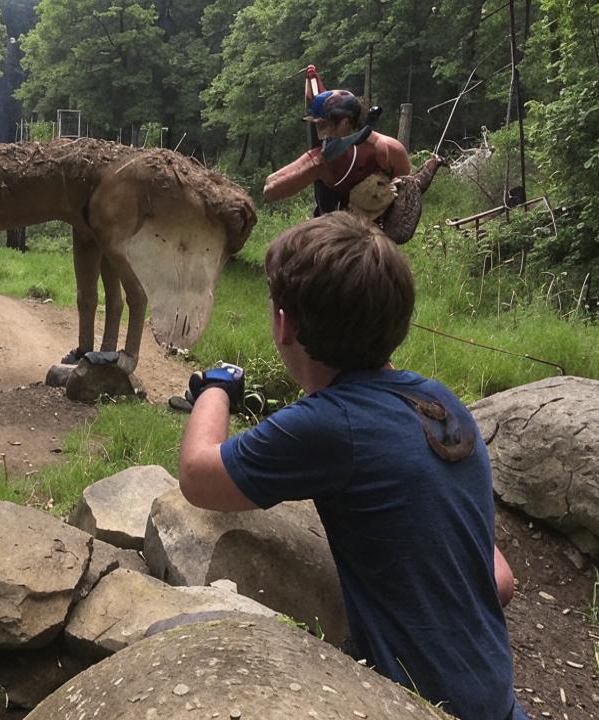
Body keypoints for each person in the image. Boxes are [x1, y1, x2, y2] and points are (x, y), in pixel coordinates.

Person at [176, 212, 524, 720]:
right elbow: (501, 579)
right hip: (497, 699)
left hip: (425, 707)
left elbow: (198, 476)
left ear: (283, 324)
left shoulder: (330, 423)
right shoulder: (441, 405)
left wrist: (216, 388)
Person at [264, 90, 412, 221]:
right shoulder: (322, 158)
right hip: (329, 234)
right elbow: (271, 188)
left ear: (345, 123)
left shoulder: (390, 150)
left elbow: (407, 198)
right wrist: (314, 167)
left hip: (375, 239)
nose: (320, 133)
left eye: (323, 125)